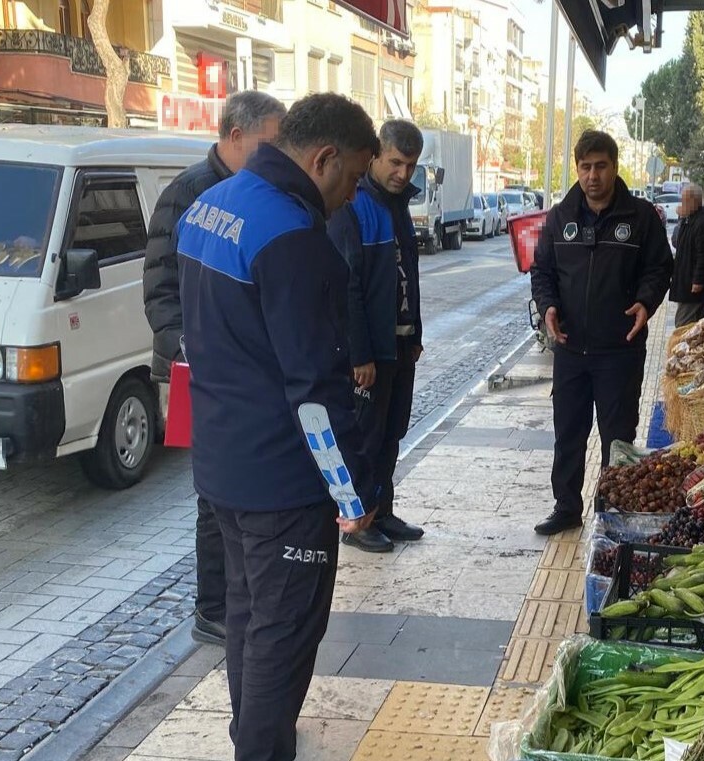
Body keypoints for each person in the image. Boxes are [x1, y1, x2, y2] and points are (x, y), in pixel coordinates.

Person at [176, 93, 379, 761]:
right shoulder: (293, 237)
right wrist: (353, 494)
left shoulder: (213, 203)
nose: (351, 197)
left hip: (223, 465)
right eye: (352, 179)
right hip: (281, 485)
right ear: (324, 158)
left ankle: (250, 740)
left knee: (247, 620)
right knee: (281, 634)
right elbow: (316, 391)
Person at [142, 90, 286, 647]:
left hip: (245, 373)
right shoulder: (188, 194)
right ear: (233, 136)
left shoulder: (263, 193)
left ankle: (239, 599)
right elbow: (159, 292)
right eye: (267, 145)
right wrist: (194, 345)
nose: (277, 157)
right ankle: (212, 607)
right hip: (196, 372)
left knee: (239, 489)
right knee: (213, 494)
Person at [529, 130, 673, 535]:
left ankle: (613, 509)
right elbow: (542, 272)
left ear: (614, 166)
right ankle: (566, 507)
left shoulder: (640, 217)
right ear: (577, 169)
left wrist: (646, 301)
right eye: (586, 167)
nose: (593, 175)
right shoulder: (560, 217)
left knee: (618, 438)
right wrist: (548, 307)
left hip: (620, 351)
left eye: (601, 166)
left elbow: (660, 267)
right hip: (571, 350)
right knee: (568, 435)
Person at [327, 119, 426, 553]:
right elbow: (346, 284)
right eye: (395, 162)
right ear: (376, 156)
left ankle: (382, 509)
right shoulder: (355, 205)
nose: (403, 174)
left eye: (411, 165)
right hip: (371, 353)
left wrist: (416, 332)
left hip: (401, 344)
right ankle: (358, 519)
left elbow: (408, 277)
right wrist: (359, 354)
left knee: (392, 432)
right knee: (365, 437)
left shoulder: (399, 206)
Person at [669, 183, 704, 327]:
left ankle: (682, 350)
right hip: (686, 282)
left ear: (694, 201)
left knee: (684, 324)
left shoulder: (703, 222)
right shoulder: (689, 218)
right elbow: (677, 242)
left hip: (693, 286)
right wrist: (681, 219)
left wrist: (698, 281)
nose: (682, 203)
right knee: (690, 325)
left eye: (685, 200)